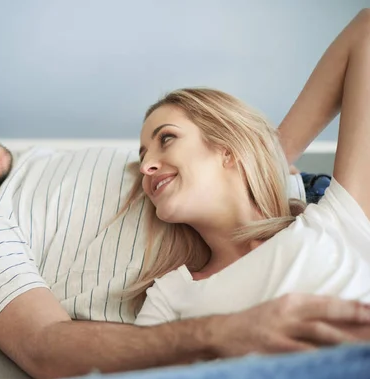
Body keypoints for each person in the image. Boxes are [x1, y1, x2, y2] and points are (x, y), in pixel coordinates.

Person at [0, 9, 370, 379]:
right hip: (231, 295)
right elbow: (46, 346)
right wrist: (223, 333)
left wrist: (268, 163)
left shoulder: (40, 159)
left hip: (298, 213)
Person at [132, 9, 370, 328]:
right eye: (143, 156)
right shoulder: (171, 294)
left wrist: (273, 156)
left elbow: (365, 29)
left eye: (167, 138)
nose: (146, 166)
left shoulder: (335, 221)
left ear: (226, 149)